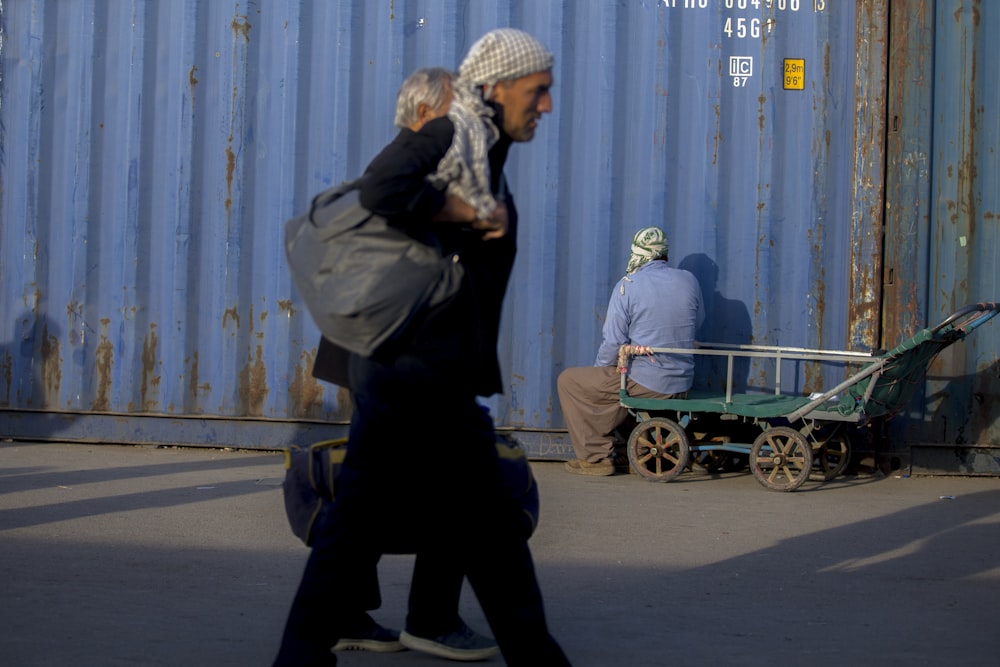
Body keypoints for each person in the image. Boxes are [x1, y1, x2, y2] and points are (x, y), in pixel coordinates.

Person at [275, 28, 571, 667]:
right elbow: (382, 189)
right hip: (414, 367)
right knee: (489, 529)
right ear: (495, 86)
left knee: (374, 523)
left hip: (423, 368)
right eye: (538, 90)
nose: (546, 105)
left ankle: (300, 656)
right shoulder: (449, 133)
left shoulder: (485, 147)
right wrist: (467, 215)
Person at [310, 67, 499, 660]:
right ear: (424, 116)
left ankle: (343, 614)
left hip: (387, 351)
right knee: (455, 481)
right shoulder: (401, 166)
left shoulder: (416, 167)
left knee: (379, 485)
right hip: (398, 354)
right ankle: (432, 618)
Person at [558, 226, 704, 476]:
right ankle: (627, 448)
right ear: (664, 254)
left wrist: (603, 371)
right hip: (682, 381)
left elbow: (613, 342)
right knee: (616, 386)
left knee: (570, 381)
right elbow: (698, 323)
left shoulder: (628, 285)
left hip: (646, 382)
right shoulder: (689, 280)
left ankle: (596, 458)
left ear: (637, 252)